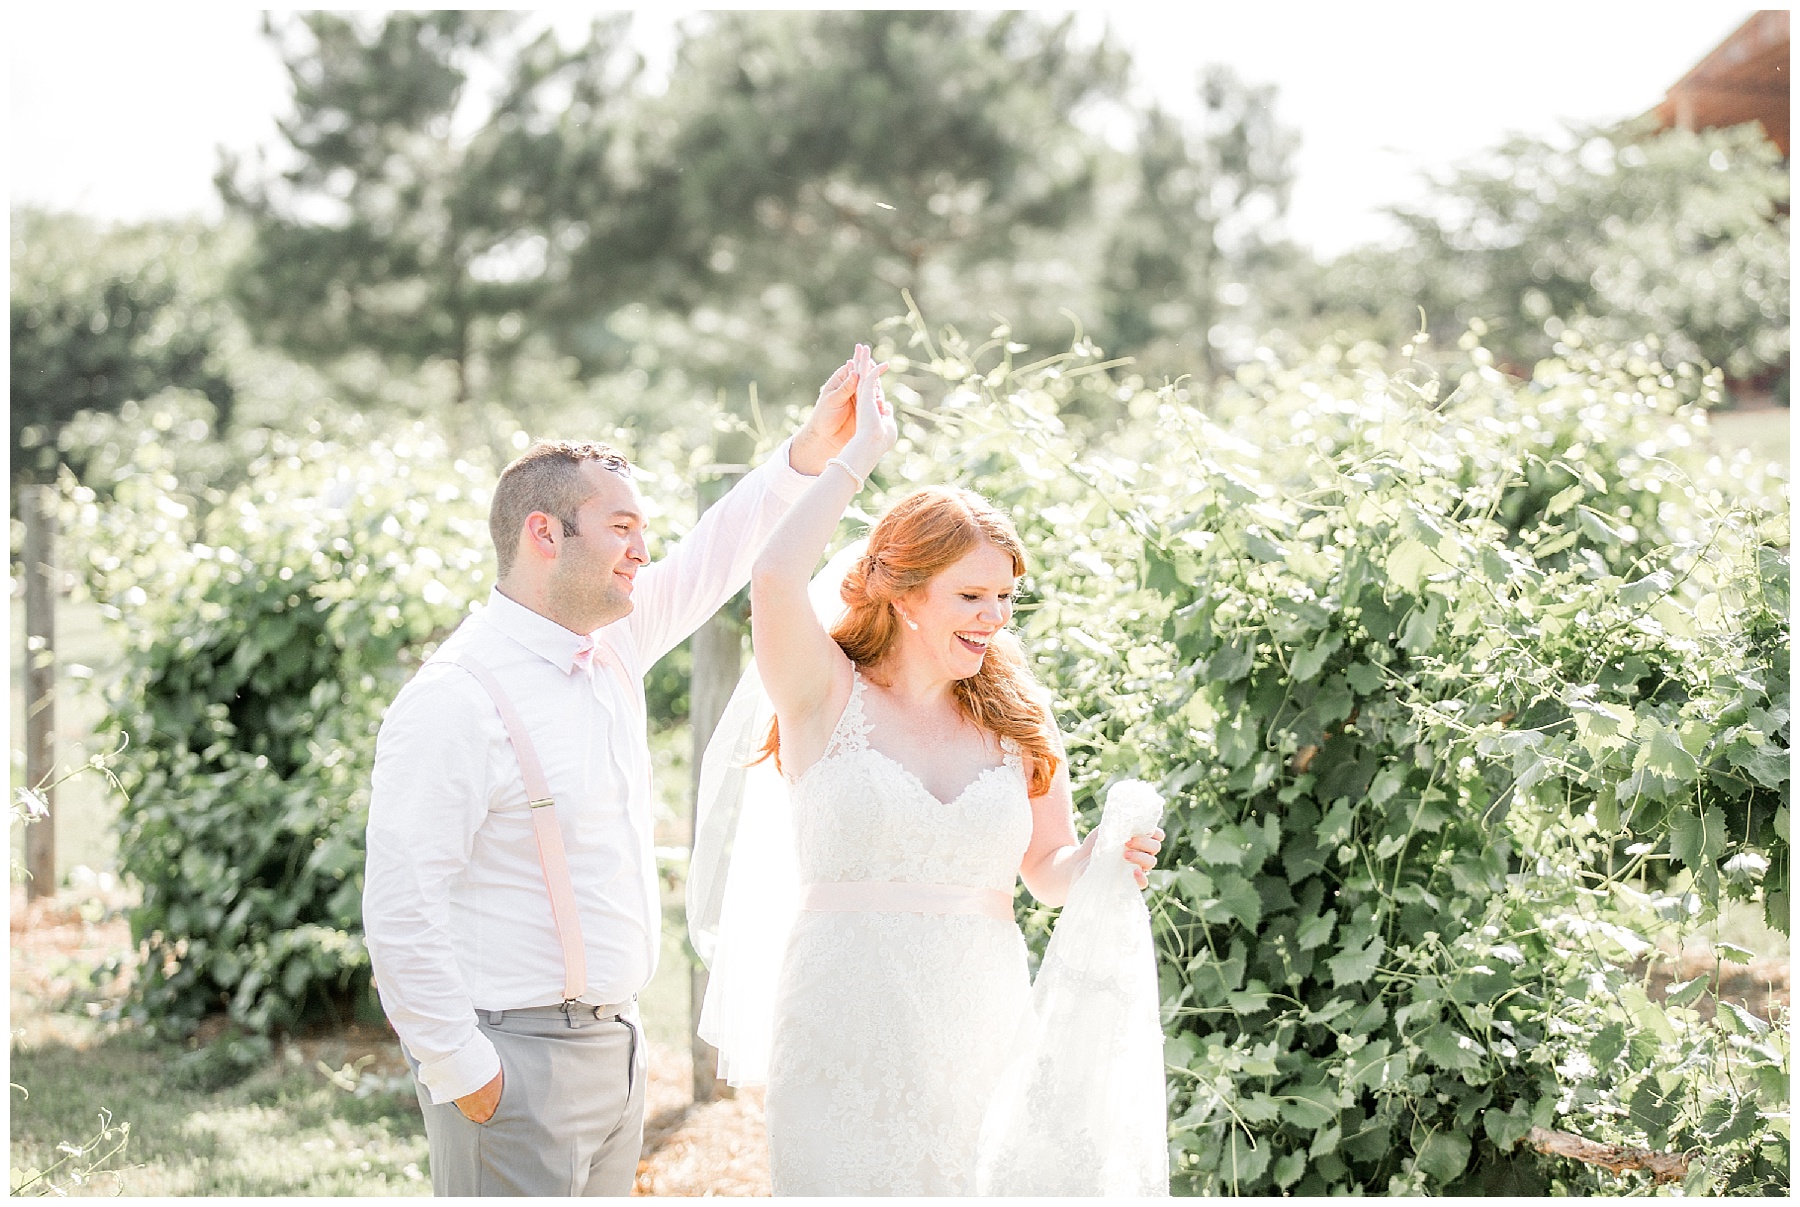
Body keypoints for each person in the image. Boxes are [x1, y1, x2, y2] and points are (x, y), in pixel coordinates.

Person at [362, 351, 869, 1197]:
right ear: (543, 533)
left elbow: (720, 552)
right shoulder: (456, 698)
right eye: (622, 527)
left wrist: (812, 447)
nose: (644, 549)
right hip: (509, 1062)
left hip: (619, 1054)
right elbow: (401, 901)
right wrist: (464, 1067)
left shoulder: (614, 648)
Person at [743, 347, 1165, 1194]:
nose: (995, 618)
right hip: (843, 1021)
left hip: (981, 1020)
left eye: (1006, 597)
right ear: (903, 592)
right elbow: (773, 575)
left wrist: (1102, 862)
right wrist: (851, 457)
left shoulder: (1017, 719)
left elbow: (1046, 871)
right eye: (971, 596)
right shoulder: (824, 692)